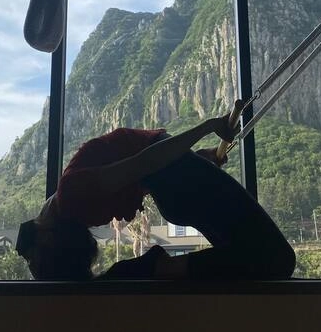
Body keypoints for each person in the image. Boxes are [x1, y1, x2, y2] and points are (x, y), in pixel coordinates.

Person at [15, 107, 295, 281]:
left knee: (267, 259)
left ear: (45, 235)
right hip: (177, 185)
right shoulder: (71, 201)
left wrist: (207, 132)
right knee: (272, 259)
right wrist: (199, 150)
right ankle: (151, 269)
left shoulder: (72, 195)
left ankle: (153, 269)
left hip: (176, 185)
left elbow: (148, 161)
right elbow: (148, 163)